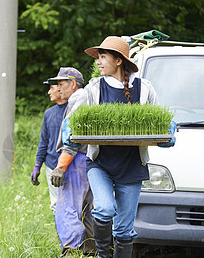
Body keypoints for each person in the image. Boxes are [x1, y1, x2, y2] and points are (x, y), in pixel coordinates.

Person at [81, 36, 172, 257]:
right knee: (104, 208)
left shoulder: (143, 88)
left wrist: (169, 130)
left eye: (103, 57)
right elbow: (77, 118)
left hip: (132, 166)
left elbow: (159, 117)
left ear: (119, 60)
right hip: (100, 163)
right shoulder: (94, 88)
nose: (98, 62)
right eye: (98, 58)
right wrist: (69, 130)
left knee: (123, 229)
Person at [48, 67, 95, 257]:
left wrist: (61, 166)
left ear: (73, 84)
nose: (58, 89)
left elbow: (74, 136)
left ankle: (71, 251)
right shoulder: (85, 98)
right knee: (89, 209)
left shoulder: (80, 98)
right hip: (90, 159)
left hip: (76, 161)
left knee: (67, 207)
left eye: (61, 84)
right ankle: (92, 251)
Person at [30, 80, 67, 213]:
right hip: (51, 165)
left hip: (72, 166)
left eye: (52, 88)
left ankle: (81, 234)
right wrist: (37, 166)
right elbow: (43, 142)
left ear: (61, 89)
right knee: (56, 205)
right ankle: (61, 234)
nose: (48, 92)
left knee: (76, 206)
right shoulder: (49, 114)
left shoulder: (75, 109)